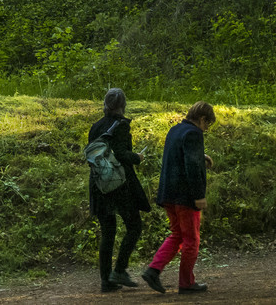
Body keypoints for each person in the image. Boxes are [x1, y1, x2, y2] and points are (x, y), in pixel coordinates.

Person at [141, 101, 216, 294]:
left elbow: (180, 155)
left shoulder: (175, 130)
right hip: (185, 196)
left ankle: (153, 270)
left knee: (177, 235)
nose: (206, 129)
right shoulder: (194, 133)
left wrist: (201, 156)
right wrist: (199, 196)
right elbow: (190, 165)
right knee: (191, 239)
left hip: (168, 194)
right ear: (201, 119)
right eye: (207, 125)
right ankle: (186, 283)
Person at [88, 88, 151, 292]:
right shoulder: (121, 126)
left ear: (105, 104)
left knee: (108, 232)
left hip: (98, 185)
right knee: (134, 226)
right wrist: (138, 158)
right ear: (123, 105)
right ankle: (120, 270)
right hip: (119, 185)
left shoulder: (96, 126)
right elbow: (122, 154)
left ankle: (106, 281)